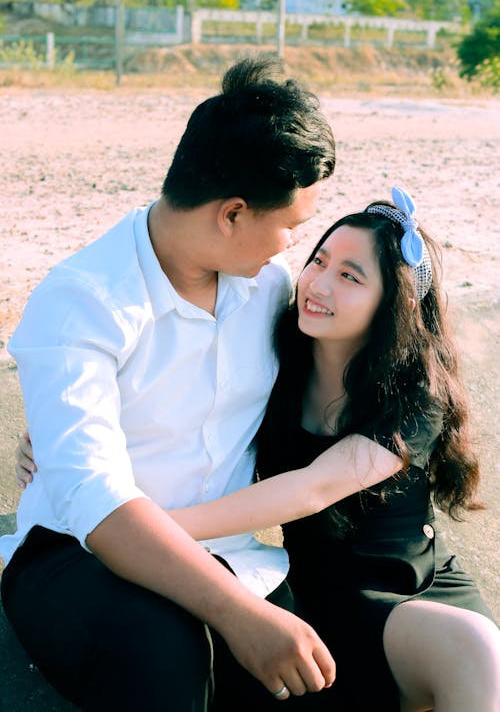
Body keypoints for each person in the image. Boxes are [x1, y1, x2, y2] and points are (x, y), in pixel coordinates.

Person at [16, 187, 500, 710]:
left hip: (421, 584)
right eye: (319, 259)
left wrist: (133, 532)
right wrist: (58, 434)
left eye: (350, 276)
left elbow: (310, 489)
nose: (317, 283)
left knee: (478, 649)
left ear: (398, 302)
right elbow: (184, 400)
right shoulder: (281, 350)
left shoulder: (413, 392)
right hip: (335, 597)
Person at [0, 56, 338, 711]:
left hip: (229, 553)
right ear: (232, 214)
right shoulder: (84, 300)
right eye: (291, 224)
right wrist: (240, 617)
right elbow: (95, 503)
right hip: (77, 557)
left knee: (316, 675)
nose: (293, 243)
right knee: (163, 657)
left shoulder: (269, 289)